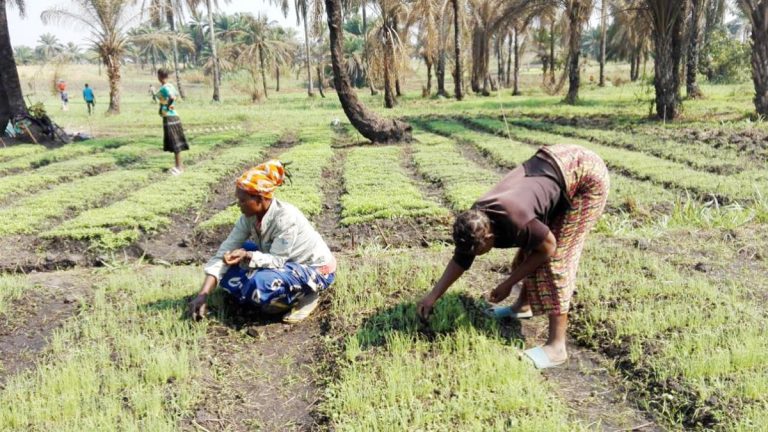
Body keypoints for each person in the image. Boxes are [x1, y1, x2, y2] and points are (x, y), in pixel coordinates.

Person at [416, 144, 609, 369]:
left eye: (477, 252)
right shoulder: (475, 219)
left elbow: (549, 248)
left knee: (556, 262)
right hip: (553, 163)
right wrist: (432, 297)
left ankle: (557, 347)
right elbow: (460, 259)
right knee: (529, 248)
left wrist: (509, 283)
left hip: (586, 176)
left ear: (489, 237)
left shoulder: (516, 220)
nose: (473, 256)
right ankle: (522, 306)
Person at [188, 160, 337, 324]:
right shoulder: (248, 218)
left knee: (260, 285)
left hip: (313, 269)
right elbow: (225, 252)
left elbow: (277, 260)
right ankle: (256, 293)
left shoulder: (286, 218)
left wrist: (247, 255)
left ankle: (306, 296)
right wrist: (202, 295)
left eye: (242, 200)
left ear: (259, 199)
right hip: (281, 261)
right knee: (228, 261)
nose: (238, 205)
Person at [155, 68, 188, 175]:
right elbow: (175, 96)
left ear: (159, 76)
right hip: (173, 115)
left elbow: (172, 97)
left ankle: (179, 168)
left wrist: (167, 107)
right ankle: (179, 166)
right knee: (175, 142)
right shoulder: (171, 86)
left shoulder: (165, 88)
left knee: (175, 143)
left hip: (169, 116)